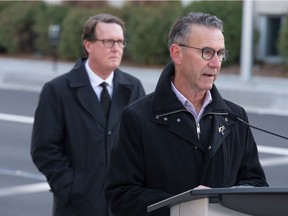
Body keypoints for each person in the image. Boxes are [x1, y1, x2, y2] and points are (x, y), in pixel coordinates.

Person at [105, 12, 268, 216]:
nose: (216, 63)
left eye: (220, 53)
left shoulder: (235, 117)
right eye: (207, 52)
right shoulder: (137, 117)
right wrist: (184, 205)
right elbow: (121, 196)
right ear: (177, 53)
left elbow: (256, 183)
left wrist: (229, 197)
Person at [30, 13, 145, 216]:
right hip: (77, 207)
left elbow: (144, 144)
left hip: (123, 206)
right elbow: (44, 149)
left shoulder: (133, 87)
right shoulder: (57, 90)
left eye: (120, 41)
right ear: (88, 45)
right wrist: (72, 188)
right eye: (109, 41)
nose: (117, 48)